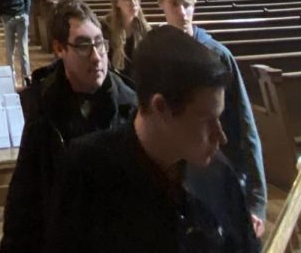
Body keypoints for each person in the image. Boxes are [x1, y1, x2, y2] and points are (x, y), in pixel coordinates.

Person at [49, 26, 259, 252]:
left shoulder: (217, 172)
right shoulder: (87, 169)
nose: (221, 137)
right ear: (161, 108)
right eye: (205, 119)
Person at [0, 0, 137, 253]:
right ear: (59, 49)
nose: (97, 57)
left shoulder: (131, 105)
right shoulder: (42, 108)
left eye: (100, 43)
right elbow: (25, 203)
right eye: (84, 46)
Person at [156, 0, 266, 236]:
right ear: (161, 5)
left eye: (188, 4)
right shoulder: (158, 55)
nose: (183, 12)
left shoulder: (217, 54)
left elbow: (244, 121)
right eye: (174, 4)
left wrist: (257, 198)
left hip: (220, 168)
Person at [104, 0, 150, 82]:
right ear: (116, 2)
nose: (133, 3)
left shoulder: (144, 29)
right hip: (115, 81)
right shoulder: (105, 28)